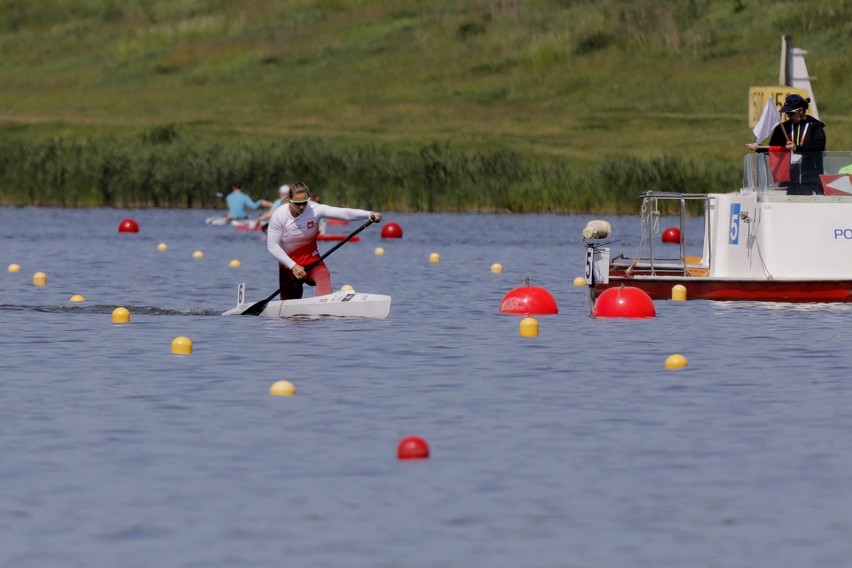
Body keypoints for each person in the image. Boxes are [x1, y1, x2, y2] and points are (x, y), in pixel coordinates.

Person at [266, 182, 381, 300]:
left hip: (313, 262)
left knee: (323, 274)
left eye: (304, 203)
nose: (301, 207)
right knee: (289, 314)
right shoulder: (280, 215)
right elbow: (272, 246)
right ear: (290, 200)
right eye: (297, 203)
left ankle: (324, 305)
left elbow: (344, 213)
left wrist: (369, 213)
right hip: (289, 268)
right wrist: (293, 266)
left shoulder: (315, 209)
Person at [746, 94, 826, 195]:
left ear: (800, 111)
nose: (788, 116)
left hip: (811, 179)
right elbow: (774, 149)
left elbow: (819, 147)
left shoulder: (815, 126)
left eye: (790, 113)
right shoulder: (782, 128)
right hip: (789, 180)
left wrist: (797, 148)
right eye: (786, 113)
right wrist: (758, 147)